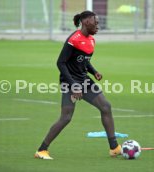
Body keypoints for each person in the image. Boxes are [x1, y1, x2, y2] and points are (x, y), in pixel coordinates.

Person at [34, 11, 121, 160]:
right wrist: (73, 85)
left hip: (84, 80)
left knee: (106, 107)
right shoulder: (73, 40)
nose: (98, 25)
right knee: (66, 117)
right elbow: (60, 63)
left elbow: (84, 60)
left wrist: (94, 72)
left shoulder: (92, 40)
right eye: (96, 22)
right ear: (86, 22)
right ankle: (41, 150)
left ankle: (114, 147)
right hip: (69, 82)